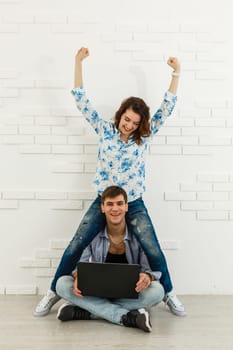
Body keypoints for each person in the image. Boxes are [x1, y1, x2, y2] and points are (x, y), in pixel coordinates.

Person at [34, 47, 185, 318]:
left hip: (133, 202)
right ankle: (53, 293)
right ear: (120, 115)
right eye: (126, 119)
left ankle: (170, 294)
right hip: (104, 199)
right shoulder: (104, 129)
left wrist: (176, 73)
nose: (128, 125)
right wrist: (78, 61)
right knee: (76, 244)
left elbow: (167, 108)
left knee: (152, 247)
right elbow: (81, 100)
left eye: (135, 123)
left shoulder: (143, 139)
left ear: (140, 125)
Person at [56, 186, 164, 332]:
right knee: (62, 284)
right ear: (102, 207)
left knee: (158, 291)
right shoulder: (92, 234)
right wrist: (77, 276)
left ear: (126, 206)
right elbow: (78, 265)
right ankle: (127, 317)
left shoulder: (139, 235)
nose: (115, 209)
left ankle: (88, 311)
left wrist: (147, 276)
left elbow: (148, 270)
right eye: (110, 204)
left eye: (119, 203)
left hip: (129, 292)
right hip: (97, 290)